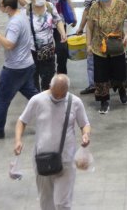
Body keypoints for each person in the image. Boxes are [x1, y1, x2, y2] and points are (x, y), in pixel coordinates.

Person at [14, 74, 91, 210]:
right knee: (46, 202)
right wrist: (18, 140)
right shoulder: (37, 100)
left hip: (66, 160)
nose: (59, 97)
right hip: (42, 160)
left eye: (63, 94)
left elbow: (85, 123)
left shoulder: (75, 102)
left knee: (63, 204)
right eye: (56, 94)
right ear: (50, 87)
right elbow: (22, 121)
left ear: (67, 89)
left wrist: (85, 134)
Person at [0, 0, 39, 141]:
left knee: (2, 99)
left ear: (7, 7)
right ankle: (52, 114)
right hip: (27, 64)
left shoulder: (14, 23)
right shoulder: (22, 15)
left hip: (14, 68)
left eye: (0, 5)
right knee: (33, 96)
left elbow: (9, 44)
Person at [86, 0, 127, 113]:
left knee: (119, 74)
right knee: (101, 76)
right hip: (99, 48)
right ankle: (104, 100)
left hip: (116, 47)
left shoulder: (120, 5)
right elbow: (89, 27)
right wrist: (88, 44)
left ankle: (121, 89)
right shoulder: (95, 7)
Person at [18, 0, 77, 75]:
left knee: (62, 49)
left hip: (58, 20)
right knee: (44, 50)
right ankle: (47, 73)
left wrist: (73, 14)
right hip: (43, 24)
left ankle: (61, 73)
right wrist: (30, 8)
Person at [26, 0, 67, 92]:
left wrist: (62, 33)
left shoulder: (49, 6)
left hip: (48, 50)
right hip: (32, 51)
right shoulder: (26, 11)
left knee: (48, 79)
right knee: (33, 80)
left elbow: (58, 21)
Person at [75, 0, 106, 95]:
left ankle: (106, 83)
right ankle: (92, 84)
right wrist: (81, 27)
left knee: (105, 56)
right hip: (91, 29)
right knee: (91, 56)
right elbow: (86, 9)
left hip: (104, 31)